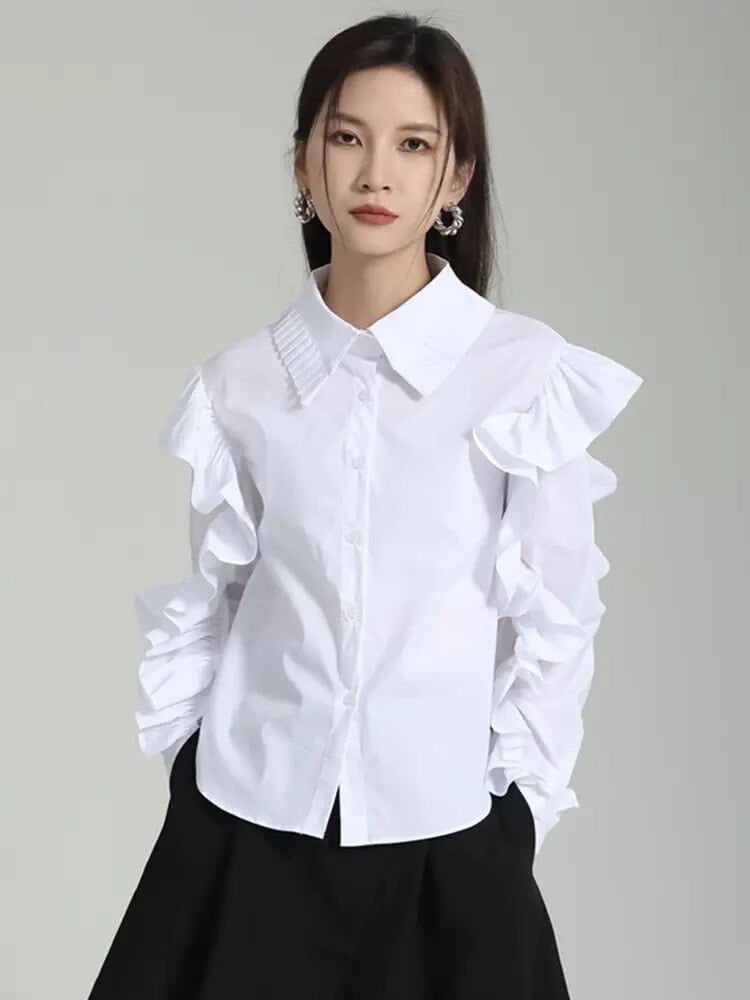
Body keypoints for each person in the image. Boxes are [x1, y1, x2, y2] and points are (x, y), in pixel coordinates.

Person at [87, 12, 643, 1000]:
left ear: (456, 178)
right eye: (347, 138)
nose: (376, 174)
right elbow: (217, 602)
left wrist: (518, 816)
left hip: (448, 849)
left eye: (414, 145)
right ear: (305, 162)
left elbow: (559, 617)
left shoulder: (522, 374)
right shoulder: (239, 386)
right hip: (244, 843)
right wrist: (192, 773)